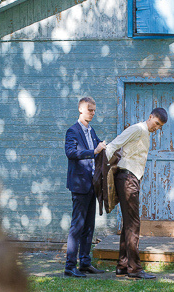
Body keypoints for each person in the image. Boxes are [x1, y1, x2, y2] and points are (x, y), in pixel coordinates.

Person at [104, 107, 167, 280]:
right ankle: (135, 269)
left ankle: (123, 266)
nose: (157, 128)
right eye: (156, 123)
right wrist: (101, 172)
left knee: (128, 224)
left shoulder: (145, 132)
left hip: (132, 179)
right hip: (126, 179)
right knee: (133, 224)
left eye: (160, 126)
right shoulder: (137, 129)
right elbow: (113, 146)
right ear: (150, 116)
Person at [64, 97, 107, 278]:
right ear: (81, 109)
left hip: (92, 185)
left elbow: (99, 150)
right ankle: (70, 266)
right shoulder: (72, 131)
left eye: (94, 110)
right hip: (79, 185)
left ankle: (85, 263)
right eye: (90, 109)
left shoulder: (91, 130)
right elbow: (71, 153)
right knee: (77, 226)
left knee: (89, 226)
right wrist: (94, 152)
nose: (92, 113)